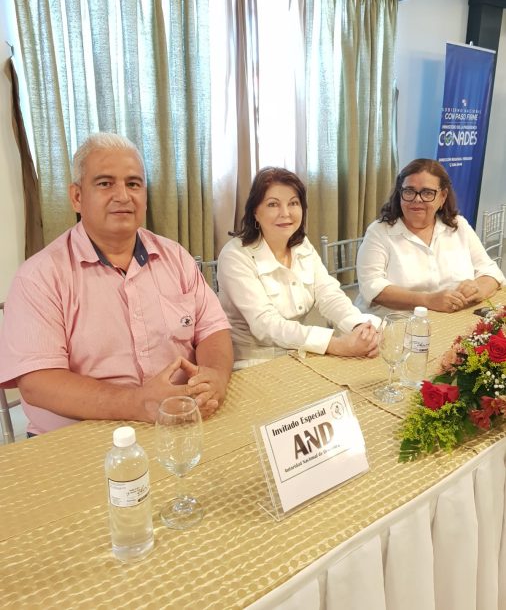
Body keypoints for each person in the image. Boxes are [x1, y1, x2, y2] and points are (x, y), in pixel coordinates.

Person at [0, 132, 233, 435]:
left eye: (133, 184)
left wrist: (214, 375)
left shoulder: (176, 257)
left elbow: (213, 329)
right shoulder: (39, 277)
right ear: (77, 197)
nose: (123, 196)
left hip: (180, 420)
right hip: (80, 438)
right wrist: (138, 403)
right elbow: (37, 383)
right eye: (105, 183)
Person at [217, 167, 379, 369]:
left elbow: (328, 294)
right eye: (273, 204)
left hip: (299, 353)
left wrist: (358, 326)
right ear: (255, 212)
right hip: (252, 363)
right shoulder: (235, 255)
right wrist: (336, 345)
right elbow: (265, 324)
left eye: (293, 203)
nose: (285, 213)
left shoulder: (301, 245)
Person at [355, 158, 505, 315]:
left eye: (427, 193)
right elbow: (372, 286)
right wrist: (427, 300)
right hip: (395, 322)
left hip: (454, 319)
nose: (417, 199)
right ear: (400, 194)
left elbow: (491, 272)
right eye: (409, 191)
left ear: (443, 196)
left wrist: (478, 289)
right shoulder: (379, 232)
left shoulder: (459, 225)